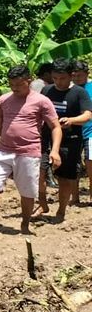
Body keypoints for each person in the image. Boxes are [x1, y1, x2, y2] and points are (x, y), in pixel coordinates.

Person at [0, 66, 61, 237]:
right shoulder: (4, 100)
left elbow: (55, 126)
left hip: (28, 152)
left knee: (27, 191)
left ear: (29, 81)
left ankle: (25, 224)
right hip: (3, 151)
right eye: (11, 85)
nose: (15, 88)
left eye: (18, 84)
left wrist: (55, 151)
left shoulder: (41, 101)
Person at [39, 58, 92, 222]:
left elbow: (88, 115)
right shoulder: (46, 91)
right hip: (46, 138)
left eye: (62, 78)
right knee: (38, 172)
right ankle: (42, 204)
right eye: (55, 78)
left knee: (65, 176)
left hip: (70, 140)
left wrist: (72, 120)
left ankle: (61, 211)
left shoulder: (79, 92)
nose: (58, 82)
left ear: (71, 76)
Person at [71, 59, 92, 203]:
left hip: (90, 130)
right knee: (72, 163)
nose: (77, 78)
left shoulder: (90, 87)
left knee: (90, 161)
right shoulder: (68, 88)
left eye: (80, 75)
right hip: (72, 130)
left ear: (86, 74)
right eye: (74, 75)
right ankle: (74, 196)